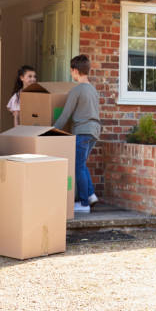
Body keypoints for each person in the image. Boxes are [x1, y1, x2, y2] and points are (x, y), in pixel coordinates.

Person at [54, 55, 101, 214]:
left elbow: (65, 114)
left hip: (82, 131)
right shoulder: (93, 90)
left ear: (75, 71)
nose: (71, 74)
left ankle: (83, 204)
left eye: (71, 71)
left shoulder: (76, 90)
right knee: (82, 164)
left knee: (78, 166)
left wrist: (51, 131)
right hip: (94, 131)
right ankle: (90, 195)